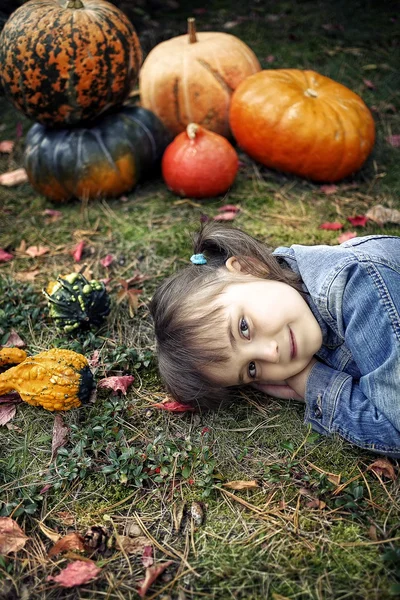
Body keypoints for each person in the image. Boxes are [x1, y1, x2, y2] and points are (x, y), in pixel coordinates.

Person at [150, 222, 400, 457]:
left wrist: (311, 380)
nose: (271, 354)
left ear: (248, 269)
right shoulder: (297, 309)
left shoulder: (355, 285)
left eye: (244, 328)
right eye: (251, 368)